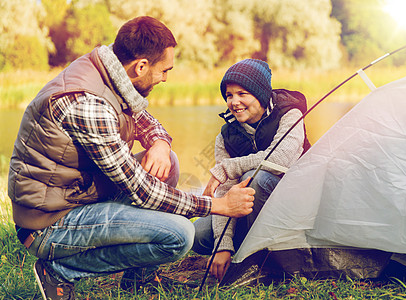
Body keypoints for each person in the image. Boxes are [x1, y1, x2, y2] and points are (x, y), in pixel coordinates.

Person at [8, 16, 255, 299]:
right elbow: (143, 191)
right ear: (141, 66)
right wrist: (219, 205)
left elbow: (144, 119)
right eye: (164, 70)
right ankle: (60, 271)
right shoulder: (88, 105)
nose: (165, 78)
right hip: (48, 225)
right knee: (179, 236)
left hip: (76, 195)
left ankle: (138, 279)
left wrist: (160, 143)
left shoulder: (109, 71)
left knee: (168, 161)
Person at [192, 59, 311, 281]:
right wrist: (222, 245)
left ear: (260, 94)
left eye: (242, 93)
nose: (234, 101)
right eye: (229, 95)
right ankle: (244, 245)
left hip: (295, 207)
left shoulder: (290, 114)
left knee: (254, 178)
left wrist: (228, 167)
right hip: (249, 211)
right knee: (198, 235)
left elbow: (280, 159)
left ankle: (266, 256)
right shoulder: (226, 136)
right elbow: (224, 191)